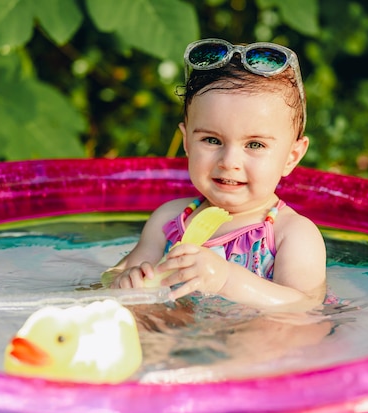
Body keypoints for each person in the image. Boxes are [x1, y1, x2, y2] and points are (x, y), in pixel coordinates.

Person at [104, 38, 327, 312]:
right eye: (211, 140)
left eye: (254, 145)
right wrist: (125, 283)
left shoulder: (292, 234)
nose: (229, 161)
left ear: (291, 157)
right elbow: (114, 275)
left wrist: (227, 279)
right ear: (187, 142)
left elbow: (306, 305)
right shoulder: (169, 220)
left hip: (253, 348)